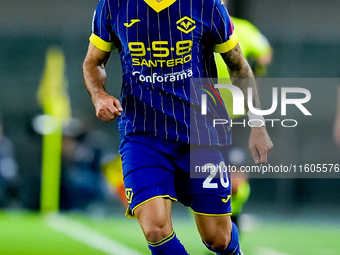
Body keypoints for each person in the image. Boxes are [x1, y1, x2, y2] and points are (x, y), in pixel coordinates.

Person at [83, 0, 273, 254]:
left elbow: (238, 65)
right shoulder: (113, 6)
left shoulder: (207, 5)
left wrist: (257, 123)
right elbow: (93, 62)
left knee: (218, 239)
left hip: (202, 135)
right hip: (143, 135)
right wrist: (99, 95)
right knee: (155, 230)